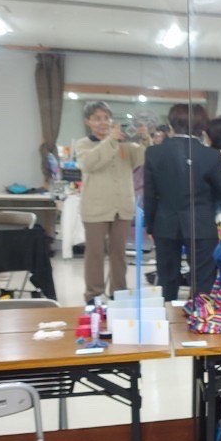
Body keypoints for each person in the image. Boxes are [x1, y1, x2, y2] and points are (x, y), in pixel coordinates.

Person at [143, 104, 221, 301]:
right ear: (202, 126)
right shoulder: (211, 155)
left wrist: (150, 225)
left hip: (165, 223)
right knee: (202, 280)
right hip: (201, 224)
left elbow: (150, 195)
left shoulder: (153, 153)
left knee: (167, 279)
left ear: (172, 123)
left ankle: (168, 315)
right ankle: (199, 315)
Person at [73, 100, 145, 303]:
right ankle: (93, 295)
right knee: (95, 253)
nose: (103, 122)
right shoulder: (83, 144)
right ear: (88, 121)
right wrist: (111, 141)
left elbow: (141, 158)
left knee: (119, 254)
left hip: (122, 207)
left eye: (106, 118)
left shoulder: (124, 144)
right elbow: (89, 164)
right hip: (95, 208)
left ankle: (118, 292)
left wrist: (145, 138)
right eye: (97, 118)